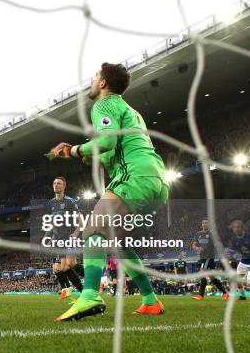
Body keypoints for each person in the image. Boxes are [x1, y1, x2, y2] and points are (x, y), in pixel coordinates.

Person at [47, 62, 168, 321]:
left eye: (95, 77)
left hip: (134, 178)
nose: (91, 82)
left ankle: (89, 295)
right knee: (120, 243)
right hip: (157, 182)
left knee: (93, 230)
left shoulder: (104, 103)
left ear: (103, 84)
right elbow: (116, 148)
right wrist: (96, 157)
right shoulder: (130, 111)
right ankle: (150, 300)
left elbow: (107, 141)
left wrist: (72, 151)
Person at [46, 176, 83, 299]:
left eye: (59, 183)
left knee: (68, 265)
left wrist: (76, 234)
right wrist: (49, 236)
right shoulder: (50, 203)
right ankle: (67, 289)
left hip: (68, 237)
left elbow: (80, 221)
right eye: (54, 183)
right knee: (57, 269)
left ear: (64, 186)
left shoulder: (70, 202)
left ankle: (84, 289)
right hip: (57, 239)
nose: (56, 185)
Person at [192, 219, 229, 300]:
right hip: (202, 258)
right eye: (203, 223)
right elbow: (193, 245)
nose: (205, 224)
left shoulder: (212, 234)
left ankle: (201, 295)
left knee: (202, 273)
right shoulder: (198, 234)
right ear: (201, 224)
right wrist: (197, 248)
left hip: (209, 257)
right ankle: (225, 293)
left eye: (206, 223)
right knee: (212, 277)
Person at [228, 220, 250, 300]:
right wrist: (237, 254)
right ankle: (243, 296)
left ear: (242, 228)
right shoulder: (233, 240)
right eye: (234, 227)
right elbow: (238, 250)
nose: (236, 229)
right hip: (244, 261)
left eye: (238, 227)